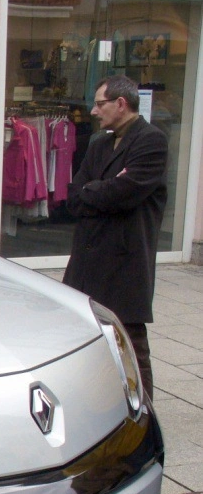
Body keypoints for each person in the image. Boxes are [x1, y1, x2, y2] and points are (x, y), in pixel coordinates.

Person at [64, 74, 168, 400]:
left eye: (100, 104)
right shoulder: (100, 143)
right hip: (88, 257)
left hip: (125, 260)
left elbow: (125, 193)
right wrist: (101, 190)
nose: (94, 112)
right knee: (86, 335)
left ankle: (143, 410)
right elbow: (74, 197)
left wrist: (98, 190)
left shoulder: (151, 141)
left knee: (130, 340)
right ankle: (99, 401)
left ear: (121, 104)